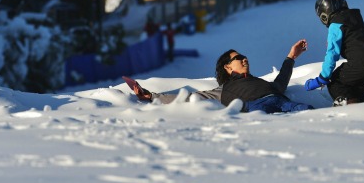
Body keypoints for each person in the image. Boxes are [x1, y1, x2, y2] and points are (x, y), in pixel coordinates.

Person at [130, 39, 314, 114]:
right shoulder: (224, 90)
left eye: (244, 56)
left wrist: (291, 56)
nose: (244, 59)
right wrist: (152, 96)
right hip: (255, 110)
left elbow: (280, 83)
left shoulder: (260, 83)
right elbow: (189, 98)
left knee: (308, 111)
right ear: (227, 67)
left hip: (281, 101)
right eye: (239, 58)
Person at [305, 0, 364, 106]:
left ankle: (348, 112)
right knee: (354, 87)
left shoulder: (335, 25)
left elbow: (332, 54)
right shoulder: (354, 19)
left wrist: (322, 78)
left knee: (335, 83)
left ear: (324, 15)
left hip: (362, 63)